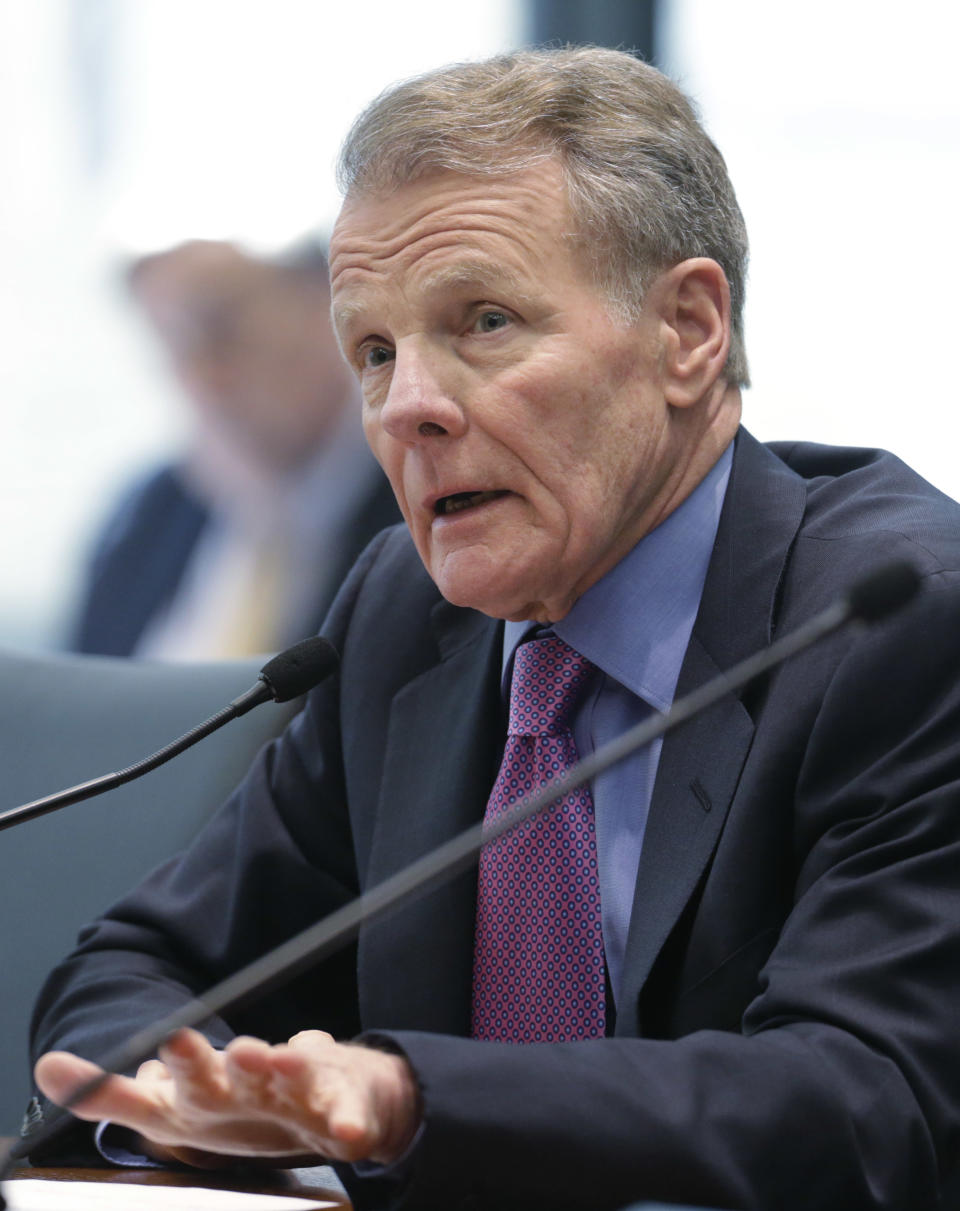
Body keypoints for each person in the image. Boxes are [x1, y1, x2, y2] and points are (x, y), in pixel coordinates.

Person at [27, 46, 960, 1211]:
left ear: (687, 329)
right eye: (373, 350)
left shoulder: (899, 615)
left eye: (484, 321)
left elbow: (873, 1099)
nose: (408, 405)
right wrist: (174, 1103)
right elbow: (137, 963)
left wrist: (413, 1100)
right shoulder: (405, 617)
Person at [69, 239, 399, 659]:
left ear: (330, 307)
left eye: (221, 329)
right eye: (171, 341)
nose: (201, 377)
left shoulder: (421, 494)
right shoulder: (148, 512)